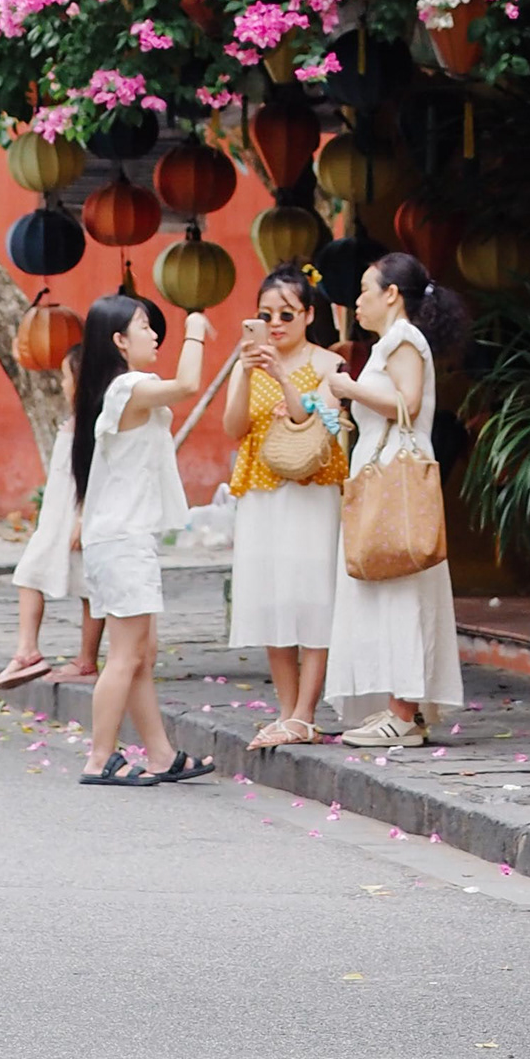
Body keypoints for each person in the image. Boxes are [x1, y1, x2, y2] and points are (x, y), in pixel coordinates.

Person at [324, 251, 466, 750]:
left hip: (396, 481)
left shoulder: (404, 338)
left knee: (401, 591)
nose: (357, 301)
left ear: (391, 295)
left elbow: (407, 403)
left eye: (365, 290)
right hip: (384, 475)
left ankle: (404, 713)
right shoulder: (390, 342)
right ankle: (401, 709)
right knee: (387, 592)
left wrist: (349, 388)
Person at [73, 293, 216, 786]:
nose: (155, 335)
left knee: (140, 654)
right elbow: (189, 384)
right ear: (119, 341)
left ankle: (160, 754)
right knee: (127, 655)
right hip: (123, 542)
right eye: (144, 326)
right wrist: (194, 326)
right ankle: (100, 757)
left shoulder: (121, 388)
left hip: (122, 539)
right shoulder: (128, 386)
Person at [223, 264, 349, 749]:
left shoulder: (328, 363)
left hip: (311, 491)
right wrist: (244, 372)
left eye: (286, 314)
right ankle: (286, 711)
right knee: (272, 600)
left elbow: (313, 421)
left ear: (309, 315)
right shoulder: (249, 363)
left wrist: (281, 375)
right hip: (261, 491)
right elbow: (233, 427)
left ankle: (305, 714)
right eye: (265, 315)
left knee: (313, 597)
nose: (274, 324)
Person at [0, 344, 104, 691]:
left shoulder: (94, 425)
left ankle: (77, 659)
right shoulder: (77, 420)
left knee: (85, 586)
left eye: (67, 377)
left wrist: (83, 519)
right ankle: (32, 651)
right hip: (56, 517)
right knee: (32, 574)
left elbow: (93, 475)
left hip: (74, 516)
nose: (63, 384)